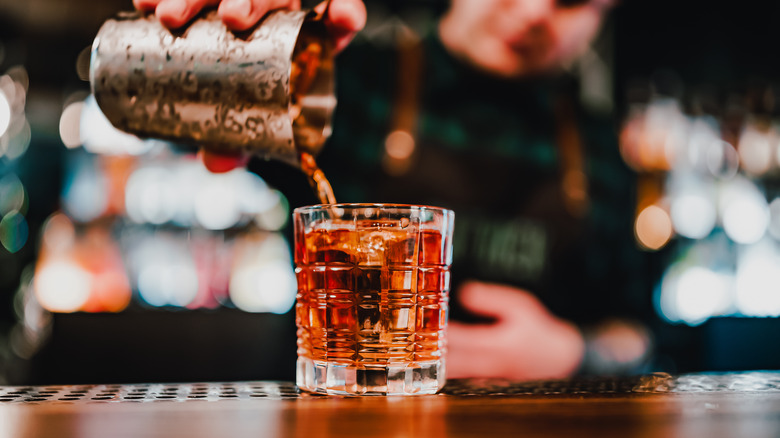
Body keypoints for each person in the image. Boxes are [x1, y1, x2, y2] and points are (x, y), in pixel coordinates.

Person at [136, 0, 654, 380]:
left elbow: (646, 335)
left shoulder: (600, 145)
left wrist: (576, 354)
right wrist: (230, 40)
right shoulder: (342, 80)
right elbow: (157, 103)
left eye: (571, 2)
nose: (536, 11)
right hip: (336, 416)